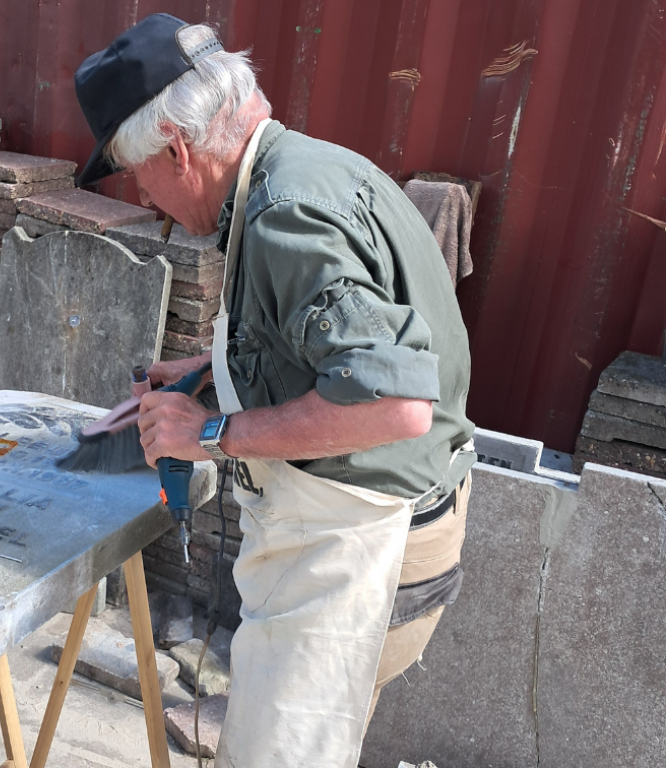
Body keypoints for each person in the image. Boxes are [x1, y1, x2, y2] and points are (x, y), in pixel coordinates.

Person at [74, 15, 475, 768]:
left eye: (141, 177)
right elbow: (317, 333)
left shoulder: (287, 212)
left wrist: (210, 434)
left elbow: (394, 405)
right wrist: (211, 365)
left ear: (178, 149)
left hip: (366, 543)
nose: (152, 200)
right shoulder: (299, 167)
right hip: (380, 518)